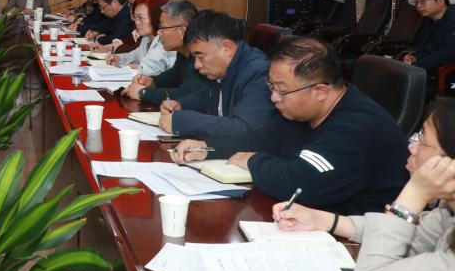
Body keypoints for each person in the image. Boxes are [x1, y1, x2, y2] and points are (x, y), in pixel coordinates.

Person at [174, 37, 409, 215]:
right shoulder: (304, 110)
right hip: (314, 218)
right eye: (271, 86)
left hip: (357, 240)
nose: (274, 97)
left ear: (320, 91)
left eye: (282, 90)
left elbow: (301, 183)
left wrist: (254, 162)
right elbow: (264, 137)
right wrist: (208, 147)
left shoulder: (355, 127)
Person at [273, 98, 455, 271]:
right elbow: (411, 234)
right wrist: (323, 219)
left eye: (422, 141)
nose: (411, 147)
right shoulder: (447, 210)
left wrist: (415, 193)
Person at [158, 10, 273, 139]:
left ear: (227, 48)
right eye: (194, 57)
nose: (197, 65)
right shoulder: (220, 70)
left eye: (201, 56)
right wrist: (181, 105)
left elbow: (243, 129)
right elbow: (206, 96)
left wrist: (183, 122)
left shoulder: (258, 73)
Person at [122, 0, 214, 104]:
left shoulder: (199, 56)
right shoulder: (183, 50)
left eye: (162, 27)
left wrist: (143, 93)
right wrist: (152, 81)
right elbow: (174, 76)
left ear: (181, 31)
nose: (159, 32)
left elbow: (187, 94)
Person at [105, 0, 177, 75]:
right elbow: (134, 55)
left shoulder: (165, 41)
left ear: (156, 16)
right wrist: (119, 58)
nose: (137, 22)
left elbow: (151, 70)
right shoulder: (146, 38)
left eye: (140, 18)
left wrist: (139, 66)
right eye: (135, 17)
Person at [403, 0, 455, 74]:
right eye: (417, 2)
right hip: (432, 68)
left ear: (440, 1)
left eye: (423, 1)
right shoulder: (429, 20)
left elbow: (450, 52)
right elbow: (426, 47)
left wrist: (417, 65)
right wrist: (415, 57)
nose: (418, 6)